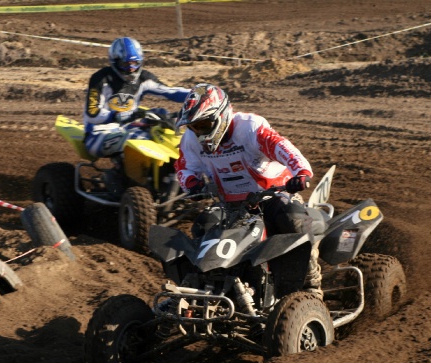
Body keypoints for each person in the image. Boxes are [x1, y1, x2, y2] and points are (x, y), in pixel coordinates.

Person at [174, 83, 324, 298]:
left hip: (273, 195)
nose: (199, 132)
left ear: (221, 116)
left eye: (204, 124)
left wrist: (301, 172)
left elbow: (282, 147)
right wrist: (191, 183)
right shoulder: (190, 141)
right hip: (230, 205)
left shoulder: (249, 128)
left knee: (293, 220)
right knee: (203, 226)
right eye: (194, 127)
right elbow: (184, 167)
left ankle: (311, 285)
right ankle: (208, 288)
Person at [83, 37, 190, 191]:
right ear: (115, 62)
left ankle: (164, 178)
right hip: (97, 133)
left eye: (134, 63)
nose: (131, 69)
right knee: (138, 141)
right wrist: (117, 116)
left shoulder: (143, 79)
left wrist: (201, 94)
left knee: (166, 135)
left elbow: (171, 92)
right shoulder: (101, 79)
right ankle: (127, 182)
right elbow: (92, 113)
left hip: (128, 127)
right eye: (125, 64)